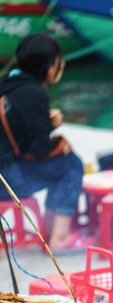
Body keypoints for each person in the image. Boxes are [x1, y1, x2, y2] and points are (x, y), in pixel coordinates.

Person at [0, 33, 89, 252]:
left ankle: (50, 226)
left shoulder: (6, 83)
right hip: (7, 182)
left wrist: (44, 123)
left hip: (4, 171)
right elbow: (39, 149)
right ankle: (59, 237)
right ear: (50, 67)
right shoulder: (33, 93)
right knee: (70, 164)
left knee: (58, 167)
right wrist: (52, 128)